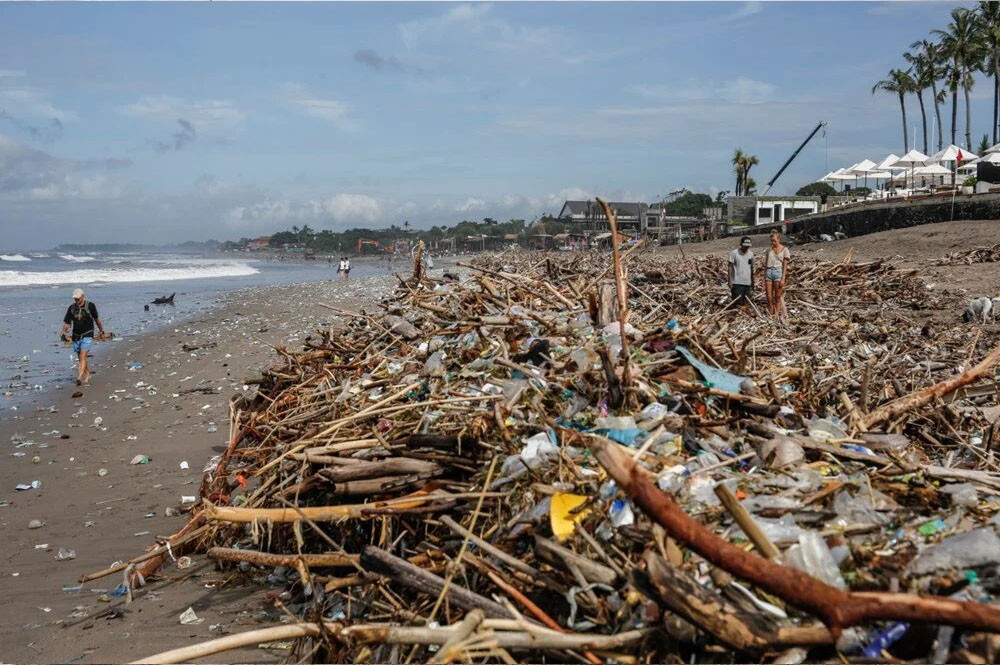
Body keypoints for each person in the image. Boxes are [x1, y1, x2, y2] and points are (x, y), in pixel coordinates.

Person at [59, 288, 105, 386]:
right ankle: (88, 374)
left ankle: (79, 377)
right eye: (75, 299)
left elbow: (96, 320)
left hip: (88, 334)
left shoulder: (90, 306)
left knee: (83, 356)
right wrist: (63, 331)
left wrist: (101, 331)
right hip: (76, 335)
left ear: (83, 296)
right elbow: (67, 323)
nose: (76, 301)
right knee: (80, 358)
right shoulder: (71, 308)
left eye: (78, 299)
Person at [764, 230, 791, 318]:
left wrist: (783, 278)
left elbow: (785, 265)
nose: (773, 242)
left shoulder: (784, 250)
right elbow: (765, 263)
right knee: (769, 296)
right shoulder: (768, 250)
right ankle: (770, 312)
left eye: (774, 240)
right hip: (769, 272)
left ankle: (776, 314)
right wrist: (764, 277)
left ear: (779, 239)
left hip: (778, 272)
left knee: (778, 296)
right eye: (771, 241)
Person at [727, 236, 755, 313]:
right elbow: (730, 267)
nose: (746, 248)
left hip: (747, 282)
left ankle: (744, 317)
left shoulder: (751, 254)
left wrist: (752, 282)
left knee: (746, 302)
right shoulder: (734, 253)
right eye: (745, 246)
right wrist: (730, 280)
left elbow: (751, 268)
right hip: (737, 282)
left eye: (748, 246)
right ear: (741, 244)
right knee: (737, 303)